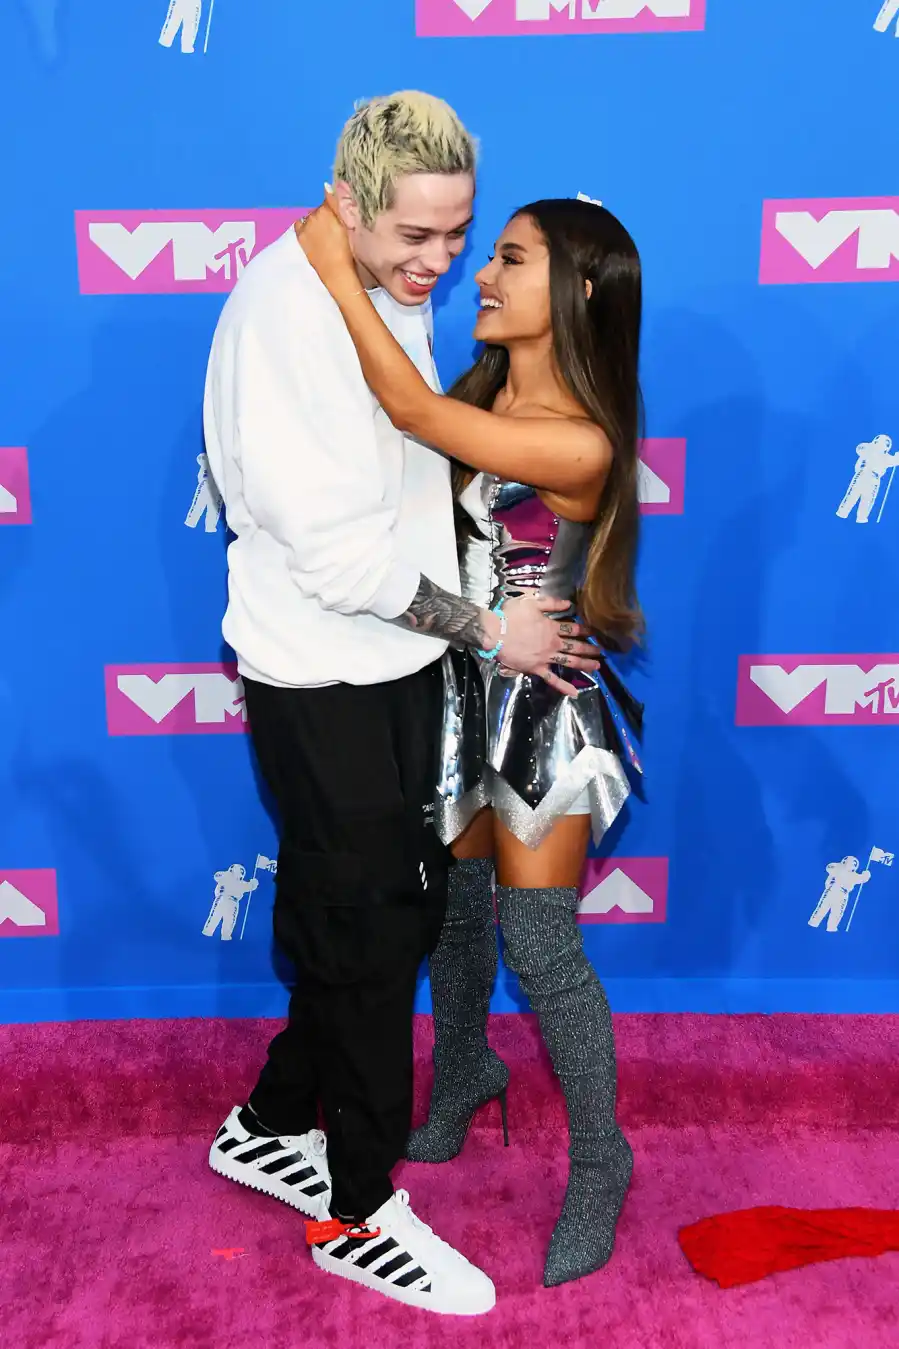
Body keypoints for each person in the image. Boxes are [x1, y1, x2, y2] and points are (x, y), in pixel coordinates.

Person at [202, 92, 602, 1316]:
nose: (436, 261)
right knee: (372, 944)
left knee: (379, 917)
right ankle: (357, 1207)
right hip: (321, 677)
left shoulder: (377, 290)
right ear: (341, 202)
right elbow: (338, 558)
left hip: (394, 673)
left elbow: (413, 437)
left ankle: (270, 1120)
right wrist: (490, 628)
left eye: (458, 233)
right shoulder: (286, 312)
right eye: (409, 237)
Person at [297, 189, 645, 1289]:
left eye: (508, 258)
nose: (478, 275)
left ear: (579, 289)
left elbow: (409, 415)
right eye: (482, 256)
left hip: (545, 714)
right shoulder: (474, 388)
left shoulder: (583, 435)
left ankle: (602, 1156)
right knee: (451, 919)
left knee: (538, 942)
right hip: (452, 695)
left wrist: (333, 271)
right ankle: (460, 1072)